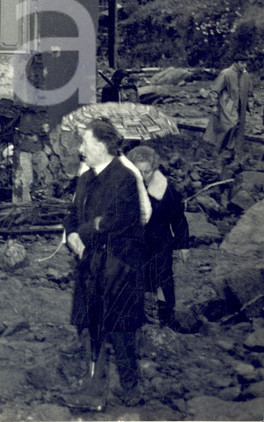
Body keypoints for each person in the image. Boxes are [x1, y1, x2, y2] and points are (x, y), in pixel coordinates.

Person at [63, 118, 150, 411]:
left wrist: (82, 233)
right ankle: (94, 388)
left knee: (120, 331)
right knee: (90, 327)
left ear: (100, 145)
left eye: (84, 142)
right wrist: (72, 234)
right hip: (91, 265)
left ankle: (130, 387)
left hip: (119, 267)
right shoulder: (86, 178)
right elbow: (73, 212)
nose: (80, 149)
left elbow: (114, 222)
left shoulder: (124, 178)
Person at [127, 145, 189, 331]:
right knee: (136, 281)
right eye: (138, 171)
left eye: (147, 171)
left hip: (160, 244)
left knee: (162, 282)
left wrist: (182, 245)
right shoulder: (124, 189)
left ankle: (165, 315)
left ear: (154, 169)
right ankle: (137, 318)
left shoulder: (166, 191)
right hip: (135, 244)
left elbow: (179, 219)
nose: (143, 176)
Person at [203, 58, 254, 177]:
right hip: (226, 107)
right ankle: (217, 156)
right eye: (242, 63)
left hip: (240, 109)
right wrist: (214, 106)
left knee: (238, 131)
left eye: (246, 63)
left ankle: (231, 157)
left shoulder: (246, 76)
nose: (244, 65)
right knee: (227, 129)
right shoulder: (226, 73)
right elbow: (214, 91)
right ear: (236, 62)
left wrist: (250, 106)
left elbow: (250, 93)